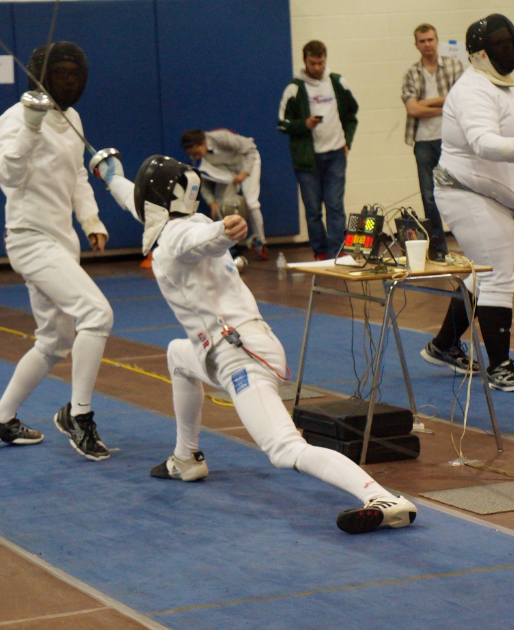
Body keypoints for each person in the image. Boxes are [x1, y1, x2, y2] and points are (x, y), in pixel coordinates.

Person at [90, 152, 417, 534]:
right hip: (223, 348)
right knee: (178, 355)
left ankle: (382, 497)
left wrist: (224, 231)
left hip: (241, 356)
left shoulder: (182, 234)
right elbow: (137, 199)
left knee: (284, 449)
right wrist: (111, 175)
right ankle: (186, 458)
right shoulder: (172, 222)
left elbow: (199, 240)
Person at [0, 41, 114, 460]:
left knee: (55, 340)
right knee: (97, 313)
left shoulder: (72, 117)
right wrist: (31, 128)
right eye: (61, 74)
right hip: (29, 238)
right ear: (40, 76)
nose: (70, 82)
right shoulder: (13, 119)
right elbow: (8, 176)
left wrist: (90, 219)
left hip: (61, 240)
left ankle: (0, 420)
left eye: (75, 75)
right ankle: (79, 415)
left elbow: (76, 173)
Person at [419, 14, 514, 392]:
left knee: (478, 277)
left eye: (508, 43)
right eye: (498, 45)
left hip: (493, 199)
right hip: (469, 194)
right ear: (479, 54)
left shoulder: (504, 86)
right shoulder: (472, 89)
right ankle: (500, 367)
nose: (506, 50)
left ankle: (444, 345)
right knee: (496, 276)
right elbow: (483, 142)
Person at [277, 41, 358, 261]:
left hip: (335, 154)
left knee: (335, 206)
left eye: (321, 62)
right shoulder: (294, 89)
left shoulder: (338, 82)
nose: (318, 67)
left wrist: (347, 141)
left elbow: (352, 114)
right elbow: (282, 124)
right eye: (313, 63)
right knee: (313, 211)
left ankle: (337, 252)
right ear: (305, 61)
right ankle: (321, 251)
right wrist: (305, 124)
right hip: (307, 159)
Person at [401, 23, 464, 262]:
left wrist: (426, 103)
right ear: (416, 45)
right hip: (423, 142)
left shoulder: (454, 66)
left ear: (437, 40)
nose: (427, 45)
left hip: (451, 140)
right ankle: (438, 248)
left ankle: (466, 240)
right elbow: (413, 109)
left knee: (457, 192)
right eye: (422, 41)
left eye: (430, 40)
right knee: (429, 197)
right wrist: (443, 102)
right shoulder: (411, 74)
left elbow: (458, 102)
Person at [181, 128, 268, 260]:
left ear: (204, 143)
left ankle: (260, 242)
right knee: (221, 207)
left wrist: (245, 173)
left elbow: (250, 149)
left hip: (248, 162)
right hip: (227, 170)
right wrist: (212, 203)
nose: (196, 157)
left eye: (198, 153)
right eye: (193, 155)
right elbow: (203, 182)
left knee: (251, 202)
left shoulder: (220, 138)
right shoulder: (196, 159)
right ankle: (231, 246)